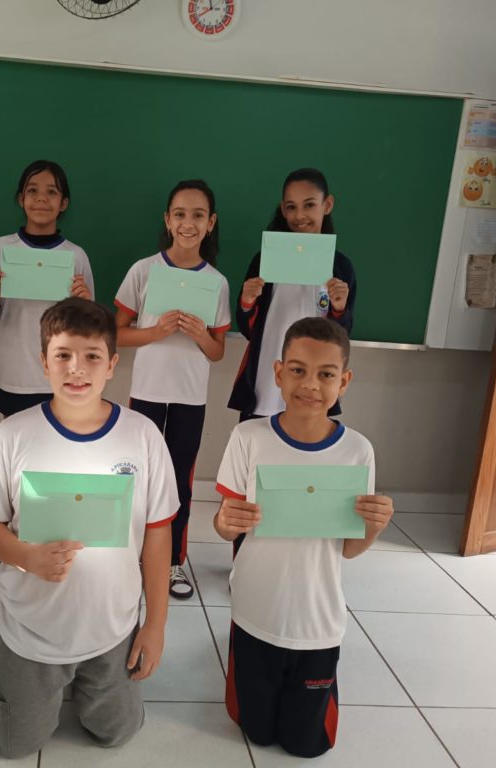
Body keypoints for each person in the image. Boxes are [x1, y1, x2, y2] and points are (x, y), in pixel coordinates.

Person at [0, 297, 177, 758]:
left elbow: (159, 532)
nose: (76, 368)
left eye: (92, 356)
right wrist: (27, 557)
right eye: (62, 355)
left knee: (116, 733)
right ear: (44, 362)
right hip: (33, 627)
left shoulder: (142, 436)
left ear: (112, 365)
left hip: (112, 625)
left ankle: (83, 676)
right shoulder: (13, 436)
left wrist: (155, 625)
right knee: (13, 745)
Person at [214, 317, 394, 758]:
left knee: (307, 744)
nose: (310, 385)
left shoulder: (357, 450)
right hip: (255, 611)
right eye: (297, 370)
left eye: (326, 374)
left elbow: (349, 550)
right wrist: (226, 521)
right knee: (255, 731)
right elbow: (224, 526)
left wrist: (374, 526)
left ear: (344, 382)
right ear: (278, 373)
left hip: (318, 620)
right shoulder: (248, 437)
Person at [0, 160, 94, 566]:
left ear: (64, 203)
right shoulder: (0, 249)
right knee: (13, 454)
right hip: (15, 371)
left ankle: (50, 528)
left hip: (63, 377)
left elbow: (88, 327)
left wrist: (83, 302)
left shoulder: (75, 256)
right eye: (33, 191)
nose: (42, 199)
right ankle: (3, 532)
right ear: (21, 199)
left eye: (52, 192)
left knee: (58, 454)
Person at [114, 179, 230, 599]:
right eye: (180, 214)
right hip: (147, 392)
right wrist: (155, 331)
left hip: (189, 398)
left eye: (198, 215)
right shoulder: (143, 270)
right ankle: (132, 554)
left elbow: (217, 352)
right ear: (167, 220)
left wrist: (200, 335)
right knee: (138, 476)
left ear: (211, 223)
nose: (188, 223)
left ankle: (173, 562)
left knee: (179, 480)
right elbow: (115, 333)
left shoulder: (216, 282)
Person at [228, 168, 356, 421]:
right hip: (264, 383)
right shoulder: (265, 260)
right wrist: (247, 302)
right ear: (283, 210)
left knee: (304, 440)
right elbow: (248, 328)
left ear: (327, 205)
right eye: (291, 207)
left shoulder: (340, 267)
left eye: (309, 205)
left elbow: (341, 337)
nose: (299, 216)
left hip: (312, 389)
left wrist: (339, 307)